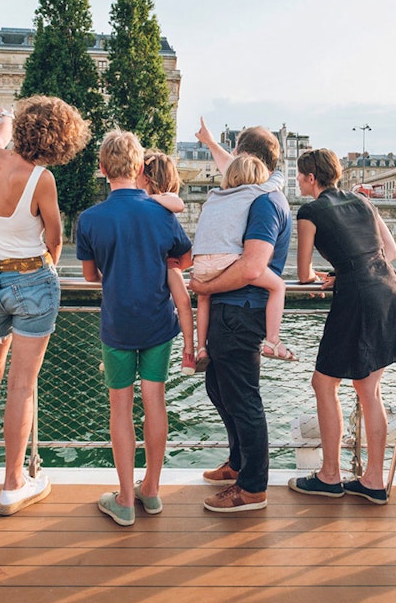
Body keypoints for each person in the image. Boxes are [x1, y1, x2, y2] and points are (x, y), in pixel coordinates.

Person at [0, 96, 89, 516]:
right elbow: (54, 238)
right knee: (21, 385)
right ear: (60, 141)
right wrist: (43, 268)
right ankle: (14, 483)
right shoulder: (41, 180)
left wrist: (6, 118)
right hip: (31, 279)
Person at [78, 131, 192, 526]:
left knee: (120, 410)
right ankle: (152, 491)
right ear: (141, 168)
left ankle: (125, 499)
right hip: (158, 321)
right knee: (154, 402)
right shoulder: (162, 213)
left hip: (118, 324)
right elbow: (184, 257)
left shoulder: (90, 219)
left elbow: (91, 275)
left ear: (102, 169)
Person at [287, 148, 396, 504]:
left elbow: (304, 273)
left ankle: (330, 475)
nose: (298, 181)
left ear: (311, 178)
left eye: (300, 176)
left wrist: (336, 274)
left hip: (357, 297)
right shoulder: (363, 201)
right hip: (389, 290)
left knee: (323, 382)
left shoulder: (310, 211)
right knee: (369, 390)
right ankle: (373, 480)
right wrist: (349, 269)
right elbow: (390, 251)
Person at [189, 122, 292, 513]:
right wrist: (211, 142)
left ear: (244, 157)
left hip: (242, 309)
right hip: (230, 309)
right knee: (219, 388)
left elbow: (252, 268)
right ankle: (237, 463)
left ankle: (252, 488)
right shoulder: (253, 194)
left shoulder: (265, 202)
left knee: (244, 400)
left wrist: (204, 287)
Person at [190, 153, 293, 364]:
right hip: (228, 261)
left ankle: (200, 348)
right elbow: (276, 180)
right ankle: (273, 341)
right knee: (277, 286)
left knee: (203, 297)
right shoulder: (254, 192)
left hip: (200, 263)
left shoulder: (213, 196)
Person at [139, 151, 197, 374]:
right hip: (158, 261)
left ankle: (188, 351)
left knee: (182, 300)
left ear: (147, 178)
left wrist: (151, 197)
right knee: (180, 301)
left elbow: (179, 203)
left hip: (165, 260)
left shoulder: (162, 200)